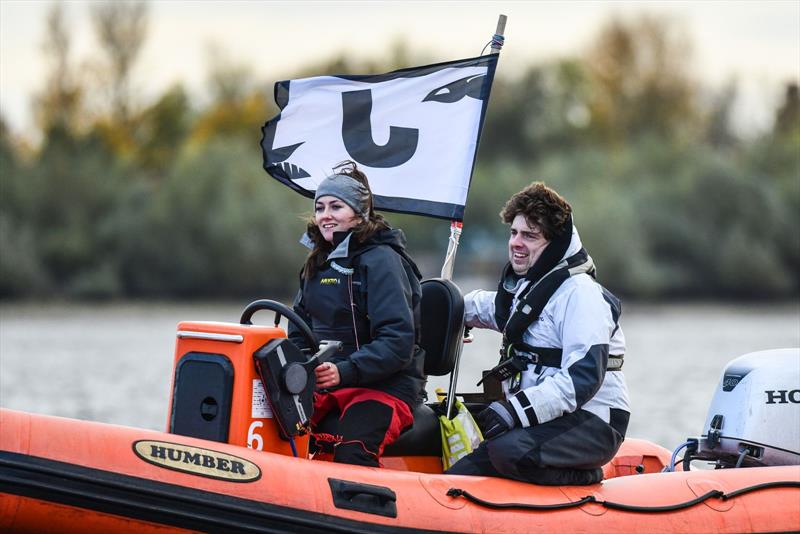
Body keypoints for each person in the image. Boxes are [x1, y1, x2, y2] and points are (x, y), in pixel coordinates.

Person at [445, 182, 630, 485]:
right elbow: (491, 308)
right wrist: (442, 306)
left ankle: (586, 476)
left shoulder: (581, 295)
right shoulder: (530, 288)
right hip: (546, 417)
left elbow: (581, 380)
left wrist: (513, 412)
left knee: (508, 451)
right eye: (513, 233)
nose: (516, 242)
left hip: (593, 422)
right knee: (460, 447)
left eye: (529, 236)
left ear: (555, 244)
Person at [288, 160, 426, 467]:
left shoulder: (382, 261)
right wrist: (304, 366)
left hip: (385, 387)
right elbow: (299, 329)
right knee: (274, 423)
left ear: (359, 214)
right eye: (320, 207)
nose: (325, 216)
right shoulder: (316, 263)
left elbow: (397, 341)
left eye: (336, 207)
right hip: (328, 383)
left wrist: (345, 370)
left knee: (351, 451)